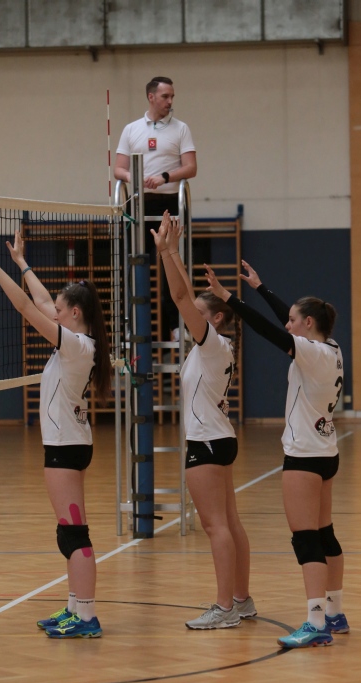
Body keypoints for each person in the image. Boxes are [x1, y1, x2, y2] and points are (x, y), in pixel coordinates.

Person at [207, 260, 348, 649]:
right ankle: (334, 612)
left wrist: (228, 297)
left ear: (307, 324)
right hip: (326, 452)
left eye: (293, 320)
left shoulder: (310, 353)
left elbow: (268, 329)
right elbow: (290, 320)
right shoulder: (330, 347)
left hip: (304, 457)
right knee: (324, 534)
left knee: (306, 539)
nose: (287, 324)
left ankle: (315, 622)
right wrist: (261, 288)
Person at [0, 230, 112, 638]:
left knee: (74, 532)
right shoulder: (77, 340)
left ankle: (86, 616)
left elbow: (26, 306)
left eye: (58, 309)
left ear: (73, 313)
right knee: (68, 530)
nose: (51, 312)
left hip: (66, 447)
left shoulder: (76, 345)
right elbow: (39, 301)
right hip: (69, 444)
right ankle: (75, 607)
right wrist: (22, 263)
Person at [150, 212, 255, 629]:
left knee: (216, 526)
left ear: (216, 319)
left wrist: (165, 253)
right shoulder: (214, 345)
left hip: (207, 442)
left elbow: (180, 296)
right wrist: (173, 251)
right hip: (220, 437)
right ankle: (241, 600)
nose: (188, 315)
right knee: (230, 523)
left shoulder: (211, 343)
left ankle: (225, 608)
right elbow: (187, 296)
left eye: (197, 313)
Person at [114, 76, 197, 340]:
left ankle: (177, 326)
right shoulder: (131, 129)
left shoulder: (181, 129)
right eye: (165, 96)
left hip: (169, 204)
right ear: (151, 97)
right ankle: (131, 324)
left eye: (172, 96)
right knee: (133, 263)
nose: (170, 101)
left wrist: (165, 177)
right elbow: (118, 169)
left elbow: (191, 167)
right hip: (139, 204)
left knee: (170, 265)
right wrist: (133, 178)